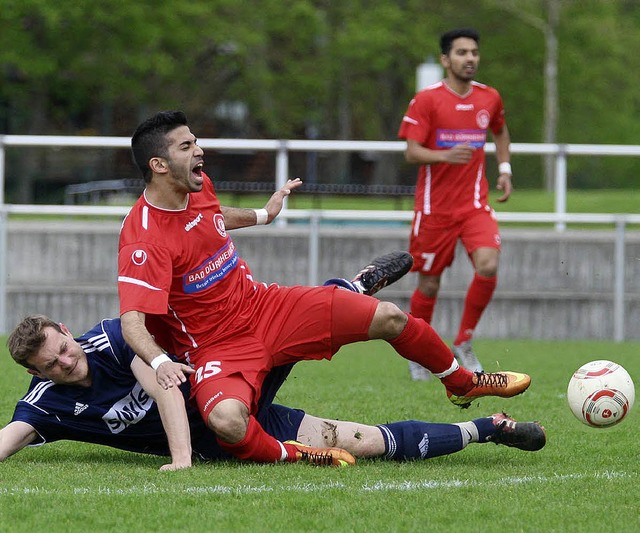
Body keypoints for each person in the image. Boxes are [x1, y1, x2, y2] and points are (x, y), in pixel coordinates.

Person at [116, 110, 530, 467]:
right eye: (186, 146)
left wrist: (264, 213)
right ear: (159, 165)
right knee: (226, 421)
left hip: (266, 307)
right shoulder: (143, 240)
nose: (199, 151)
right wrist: (158, 363)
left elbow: (211, 216)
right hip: (217, 347)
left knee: (390, 316)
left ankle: (462, 383)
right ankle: (296, 453)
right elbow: (132, 322)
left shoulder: (197, 185)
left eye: (196, 142)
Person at [1, 314, 546, 469]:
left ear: (67, 333)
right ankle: (486, 430)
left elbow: (165, 386)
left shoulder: (115, 337)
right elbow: (10, 436)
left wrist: (180, 460)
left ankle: (346, 293)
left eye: (65, 348)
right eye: (53, 364)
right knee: (359, 441)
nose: (67, 362)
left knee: (283, 342)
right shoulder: (47, 404)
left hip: (224, 392)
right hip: (234, 438)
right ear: (38, 371)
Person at [398, 28, 513, 379]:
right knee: (429, 285)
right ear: (446, 60)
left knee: (488, 264)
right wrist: (445, 156)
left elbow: (500, 131)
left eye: (474, 52)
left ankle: (463, 341)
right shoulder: (427, 100)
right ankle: (419, 354)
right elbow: (411, 151)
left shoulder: (489, 97)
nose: (470, 59)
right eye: (462, 53)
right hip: (434, 211)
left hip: (474, 206)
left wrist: (505, 169)